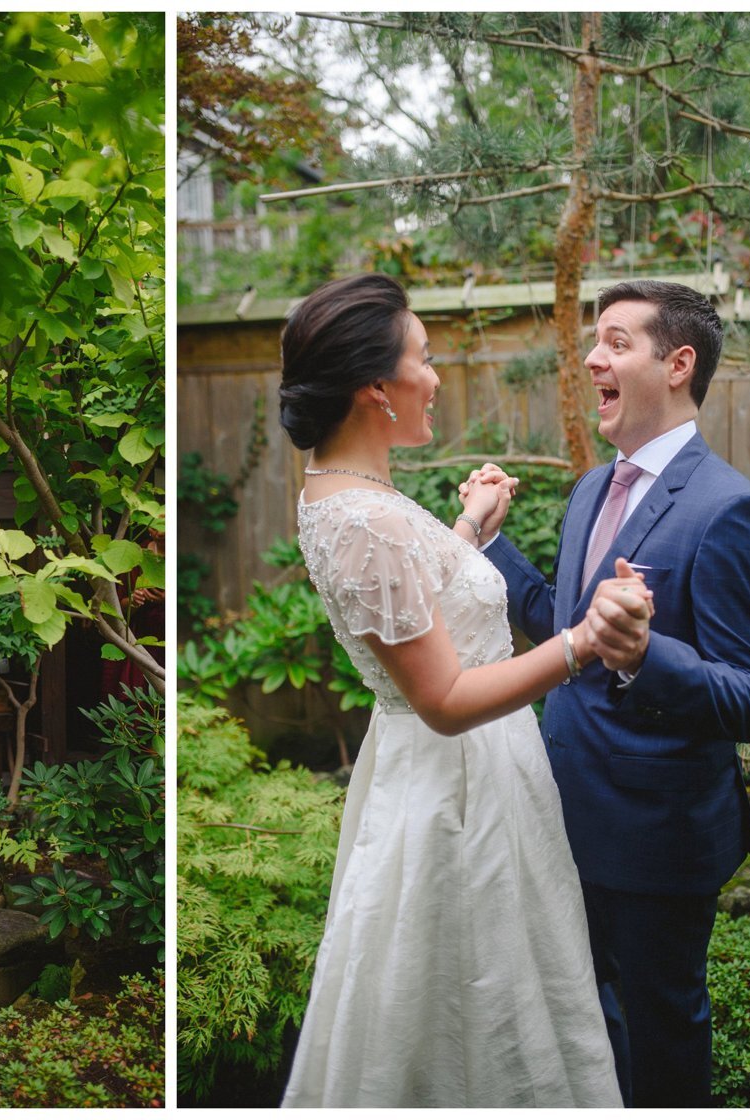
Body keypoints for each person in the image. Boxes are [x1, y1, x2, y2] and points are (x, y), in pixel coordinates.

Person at [276, 273, 652, 1107]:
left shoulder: (349, 496)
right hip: (458, 799)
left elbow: (416, 611)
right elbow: (442, 698)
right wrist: (581, 641)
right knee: (475, 1005)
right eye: (425, 357)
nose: (436, 376)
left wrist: (468, 532)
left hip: (460, 780)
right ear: (378, 387)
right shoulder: (364, 518)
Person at [472, 280, 750, 1106]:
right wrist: (494, 546)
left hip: (658, 839)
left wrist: (649, 656)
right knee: (588, 1027)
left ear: (677, 363)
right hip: (566, 814)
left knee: (659, 1034)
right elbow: (564, 630)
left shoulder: (731, 511)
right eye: (593, 342)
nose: (591, 358)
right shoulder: (588, 489)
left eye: (615, 341)